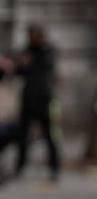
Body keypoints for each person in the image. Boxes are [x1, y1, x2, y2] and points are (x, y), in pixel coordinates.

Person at [15, 24, 60, 181]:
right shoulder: (28, 50)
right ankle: (20, 167)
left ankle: (54, 168)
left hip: (44, 98)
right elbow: (18, 71)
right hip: (28, 98)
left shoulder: (48, 50)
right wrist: (21, 64)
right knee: (22, 135)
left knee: (50, 136)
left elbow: (47, 67)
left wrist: (29, 61)